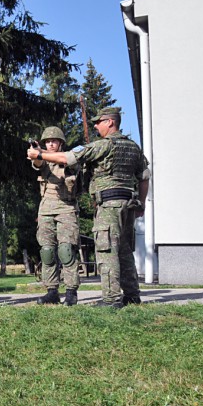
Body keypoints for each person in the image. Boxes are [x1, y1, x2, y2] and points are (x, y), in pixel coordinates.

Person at [27, 107, 150, 307]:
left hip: (109, 204)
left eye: (99, 121)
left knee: (107, 249)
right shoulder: (133, 147)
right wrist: (142, 204)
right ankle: (132, 295)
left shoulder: (103, 145)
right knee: (125, 251)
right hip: (128, 203)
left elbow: (68, 159)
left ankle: (110, 299)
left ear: (110, 122)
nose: (95, 125)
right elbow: (144, 177)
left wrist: (38, 153)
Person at [31, 127, 81, 306]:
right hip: (45, 209)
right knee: (47, 252)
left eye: (54, 141)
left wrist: (40, 153)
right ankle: (51, 291)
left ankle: (71, 292)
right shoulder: (42, 160)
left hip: (66, 208)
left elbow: (67, 163)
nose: (51, 144)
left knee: (66, 251)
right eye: (47, 141)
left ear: (61, 143)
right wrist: (36, 153)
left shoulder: (69, 157)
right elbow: (37, 164)